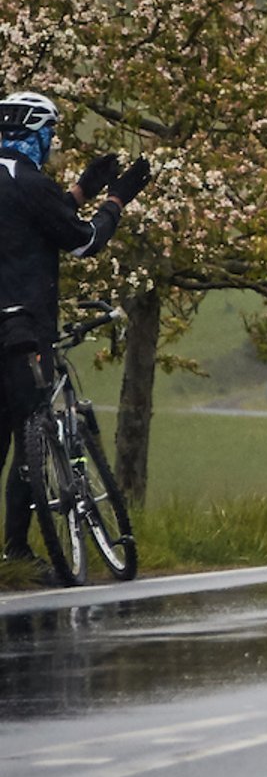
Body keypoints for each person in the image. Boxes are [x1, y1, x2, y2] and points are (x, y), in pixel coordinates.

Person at [0, 92, 150, 567]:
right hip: (22, 328)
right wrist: (115, 201)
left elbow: (26, 224)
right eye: (50, 135)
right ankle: (19, 549)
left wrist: (80, 191)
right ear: (35, 133)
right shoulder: (29, 181)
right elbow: (83, 242)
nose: (51, 145)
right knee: (32, 432)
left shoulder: (16, 182)